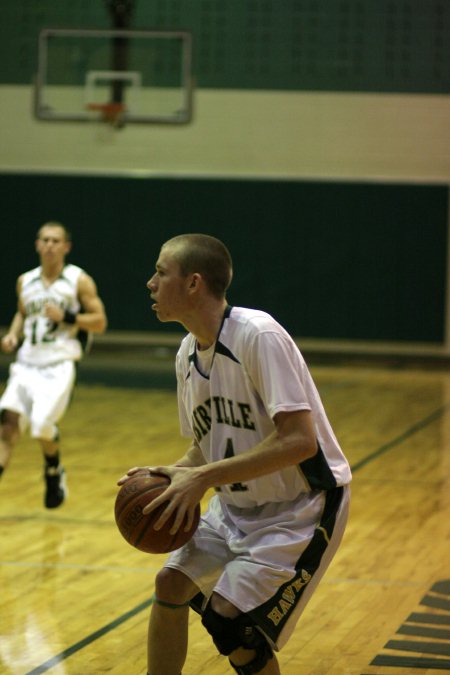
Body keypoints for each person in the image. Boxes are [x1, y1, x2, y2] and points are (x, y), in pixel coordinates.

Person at [118, 233, 351, 675]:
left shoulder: (257, 335)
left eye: (161, 272)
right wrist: (178, 471)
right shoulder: (187, 353)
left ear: (194, 283)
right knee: (170, 583)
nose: (150, 283)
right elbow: (205, 446)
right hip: (235, 508)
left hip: (300, 508)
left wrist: (202, 478)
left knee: (232, 623)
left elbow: (299, 441)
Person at [0, 221, 107, 508]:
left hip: (59, 363)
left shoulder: (78, 280)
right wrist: (12, 334)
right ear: (37, 244)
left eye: (55, 240)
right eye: (44, 240)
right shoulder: (26, 280)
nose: (49, 245)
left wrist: (69, 318)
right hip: (26, 363)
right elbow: (22, 314)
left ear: (66, 247)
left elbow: (99, 322)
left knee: (41, 426)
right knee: (7, 426)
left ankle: (53, 470)